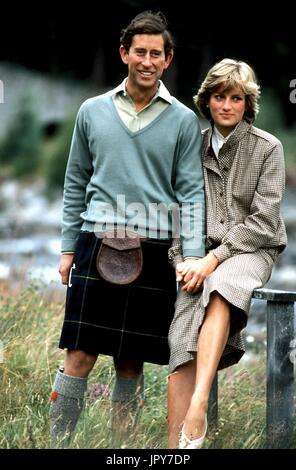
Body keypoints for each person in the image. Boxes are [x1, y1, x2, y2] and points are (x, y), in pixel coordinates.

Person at [49, 10, 205, 448]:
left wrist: (191, 256)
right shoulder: (91, 111)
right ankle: (57, 442)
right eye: (140, 51)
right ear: (125, 53)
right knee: (78, 355)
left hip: (154, 250)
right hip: (95, 240)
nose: (147, 61)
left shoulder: (182, 121)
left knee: (130, 362)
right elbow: (75, 180)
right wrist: (66, 250)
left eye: (157, 53)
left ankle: (123, 450)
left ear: (168, 59)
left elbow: (192, 194)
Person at [167, 58, 287, 449]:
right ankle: (174, 449)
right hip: (197, 257)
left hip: (252, 250)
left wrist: (213, 258)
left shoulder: (268, 148)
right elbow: (179, 213)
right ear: (207, 100)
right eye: (219, 96)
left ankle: (198, 407)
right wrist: (181, 260)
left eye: (236, 98)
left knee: (221, 285)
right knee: (182, 330)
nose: (227, 105)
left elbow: (265, 221)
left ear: (247, 104)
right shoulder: (191, 148)